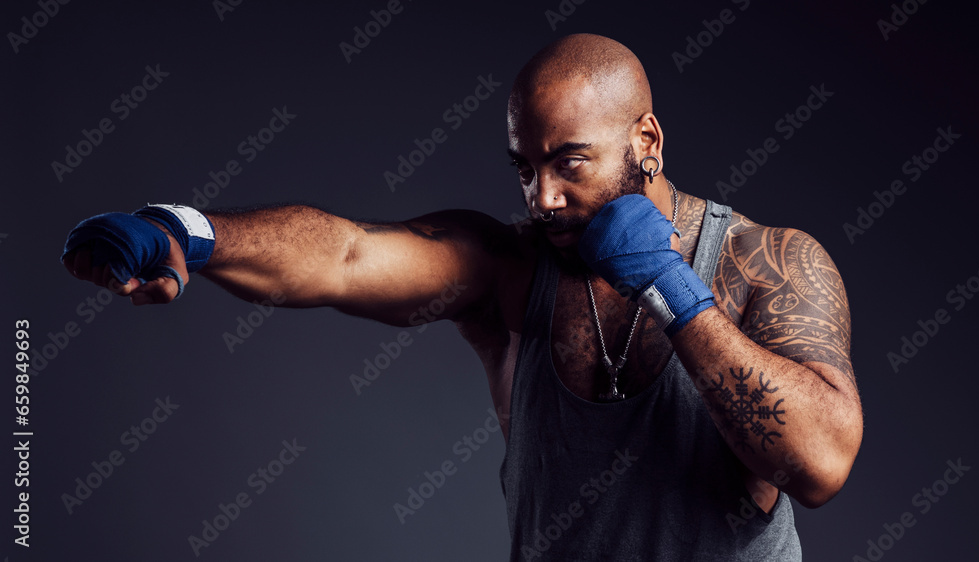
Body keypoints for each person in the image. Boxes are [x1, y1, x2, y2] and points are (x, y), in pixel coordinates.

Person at [61, 33, 862, 561]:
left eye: (569, 163)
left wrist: (674, 289)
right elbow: (345, 254)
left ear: (645, 143)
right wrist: (188, 234)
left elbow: (821, 464)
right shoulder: (512, 272)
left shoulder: (765, 264)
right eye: (525, 166)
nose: (542, 197)